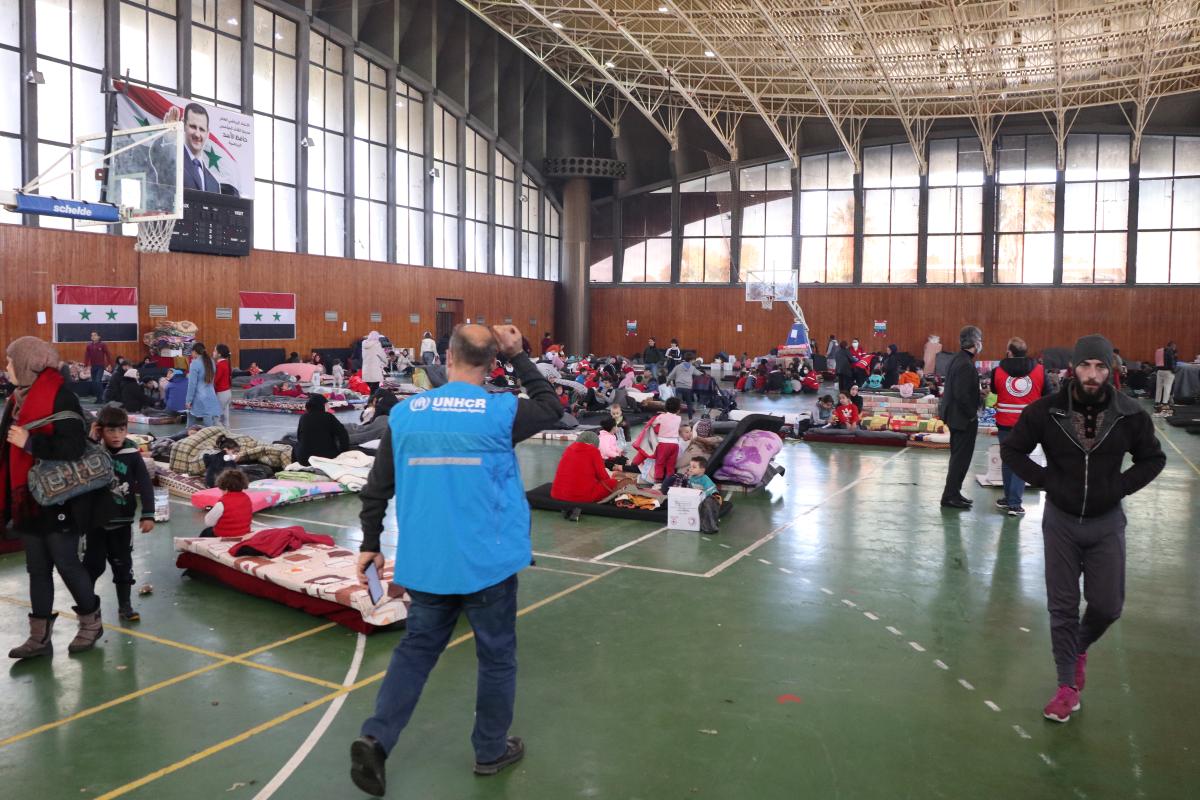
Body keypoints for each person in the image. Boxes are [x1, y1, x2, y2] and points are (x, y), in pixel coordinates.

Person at [350, 324, 563, 795]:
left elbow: (377, 487)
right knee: (496, 657)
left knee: (415, 653)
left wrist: (369, 541)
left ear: (447, 357)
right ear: (492, 364)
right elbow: (552, 405)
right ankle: (489, 750)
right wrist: (520, 354)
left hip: (427, 564)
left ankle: (376, 738)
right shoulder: (502, 412)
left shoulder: (406, 415)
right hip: (487, 563)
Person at [1000, 335, 1165, 723]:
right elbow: (1011, 450)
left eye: (1100, 367)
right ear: (1073, 368)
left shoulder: (1129, 415)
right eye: (1086, 366)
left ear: (1111, 370)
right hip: (1061, 522)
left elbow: (1152, 460)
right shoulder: (1046, 412)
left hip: (1107, 523)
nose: (1093, 375)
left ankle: (1079, 648)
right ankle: (1066, 688)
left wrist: (1118, 487)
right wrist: (1046, 482)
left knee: (1108, 606)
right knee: (1062, 608)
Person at [3, 336, 109, 659]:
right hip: (29, 498)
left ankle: (91, 622)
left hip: (60, 496)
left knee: (65, 562)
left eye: (10, 361)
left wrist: (30, 444)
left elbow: (73, 447)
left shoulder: (61, 396)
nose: (6, 368)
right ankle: (39, 638)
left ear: (27, 363)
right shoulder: (17, 400)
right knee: (36, 567)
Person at [85, 406, 155, 622]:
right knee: (92, 566)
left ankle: (125, 606)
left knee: (123, 565)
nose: (116, 436)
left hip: (122, 522)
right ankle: (88, 608)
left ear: (126, 430)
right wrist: (91, 439)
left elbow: (144, 484)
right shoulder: (92, 450)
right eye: (110, 431)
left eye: (121, 430)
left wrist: (148, 514)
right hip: (95, 523)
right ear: (100, 430)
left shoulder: (132, 454)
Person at [989, 337, 1047, 516]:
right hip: (1028, 425)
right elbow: (1048, 393)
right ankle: (1014, 503)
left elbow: (994, 391)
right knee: (1022, 461)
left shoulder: (997, 371)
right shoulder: (1039, 370)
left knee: (1008, 461)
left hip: (1005, 422)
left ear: (1009, 352)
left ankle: (1010, 500)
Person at [939, 326, 983, 510]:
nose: (981, 343)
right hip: (963, 419)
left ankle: (954, 492)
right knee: (960, 459)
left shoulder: (959, 359)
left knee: (959, 458)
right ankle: (949, 496)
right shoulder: (965, 364)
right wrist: (972, 413)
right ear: (974, 342)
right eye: (980, 339)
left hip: (957, 417)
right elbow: (961, 394)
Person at [551, 430, 626, 509]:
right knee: (612, 482)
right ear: (594, 443)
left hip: (556, 494)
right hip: (581, 497)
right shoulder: (593, 451)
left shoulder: (568, 449)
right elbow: (603, 477)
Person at [166, 103, 223, 193]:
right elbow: (157, 158)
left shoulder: (214, 184)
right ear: (183, 125)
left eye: (202, 129)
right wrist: (167, 136)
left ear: (208, 133)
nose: (197, 134)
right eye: (193, 127)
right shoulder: (171, 159)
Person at [295, 394, 349, 465]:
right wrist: (343, 452)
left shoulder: (303, 417)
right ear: (321, 405)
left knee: (296, 445)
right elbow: (343, 434)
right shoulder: (329, 417)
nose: (328, 407)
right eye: (326, 405)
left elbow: (299, 437)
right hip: (326, 458)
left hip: (304, 459)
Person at [200, 469, 253, 538]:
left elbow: (208, 522)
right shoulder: (247, 498)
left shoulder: (222, 503)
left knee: (206, 532)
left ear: (226, 488)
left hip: (224, 535)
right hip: (243, 533)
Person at [186, 342, 222, 428]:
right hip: (211, 395)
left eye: (191, 352)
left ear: (195, 352)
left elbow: (192, 384)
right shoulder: (211, 362)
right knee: (209, 426)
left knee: (190, 423)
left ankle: (188, 438)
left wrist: (188, 400)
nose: (191, 354)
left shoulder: (194, 363)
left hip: (199, 397)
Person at [688, 456, 721, 534]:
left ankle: (710, 527)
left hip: (712, 498)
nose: (691, 469)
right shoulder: (691, 478)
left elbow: (711, 492)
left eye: (694, 467)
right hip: (698, 498)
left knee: (708, 502)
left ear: (702, 470)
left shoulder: (705, 479)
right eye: (690, 466)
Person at [83, 331, 113, 404]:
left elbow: (108, 354)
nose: (93, 336)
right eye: (92, 335)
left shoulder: (102, 345)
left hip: (100, 366)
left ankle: (103, 397)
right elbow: (87, 356)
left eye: (95, 335)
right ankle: (98, 398)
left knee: (97, 381)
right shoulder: (89, 346)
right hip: (93, 366)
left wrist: (110, 364)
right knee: (94, 383)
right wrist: (85, 365)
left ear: (99, 337)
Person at [1154, 340, 1178, 416]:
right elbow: (1171, 362)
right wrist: (1174, 370)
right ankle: (1165, 404)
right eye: (1174, 347)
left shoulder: (1159, 350)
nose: (1175, 348)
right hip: (1168, 371)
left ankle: (1157, 403)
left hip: (1159, 371)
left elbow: (1156, 362)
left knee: (1159, 387)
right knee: (1167, 388)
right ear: (1172, 346)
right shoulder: (1170, 351)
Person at [361, 332, 387, 396]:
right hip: (375, 371)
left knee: (371, 389)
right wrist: (386, 362)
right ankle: (374, 403)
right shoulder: (377, 344)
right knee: (375, 390)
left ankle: (370, 402)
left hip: (366, 370)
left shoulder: (364, 344)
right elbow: (382, 356)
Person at [214, 344, 233, 426]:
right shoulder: (225, 363)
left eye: (215, 350)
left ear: (219, 354)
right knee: (225, 418)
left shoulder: (220, 365)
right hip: (227, 393)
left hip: (222, 394)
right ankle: (228, 435)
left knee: (215, 418)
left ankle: (220, 434)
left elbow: (215, 380)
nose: (213, 352)